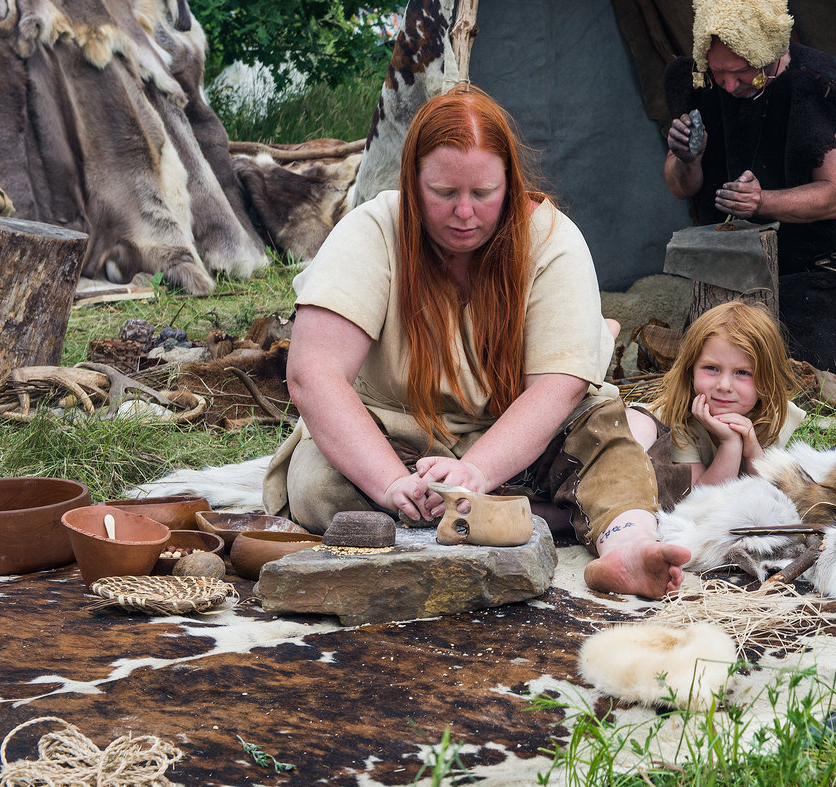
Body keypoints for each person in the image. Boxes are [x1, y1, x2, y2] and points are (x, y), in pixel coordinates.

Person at [263, 84, 689, 598]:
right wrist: (390, 484)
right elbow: (314, 373)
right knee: (316, 484)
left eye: (483, 193)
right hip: (402, 440)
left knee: (608, 447)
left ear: (509, 183)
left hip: (523, 439)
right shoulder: (374, 230)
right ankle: (528, 516)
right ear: (413, 182)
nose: (464, 213)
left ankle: (626, 551)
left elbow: (558, 389)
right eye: (444, 193)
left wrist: (478, 470)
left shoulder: (551, 239)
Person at [661, 0, 836, 372]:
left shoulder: (821, 87)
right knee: (705, 371)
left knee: (788, 374)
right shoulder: (702, 81)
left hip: (817, 273)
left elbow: (833, 195)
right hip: (730, 273)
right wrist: (687, 159)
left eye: (741, 73)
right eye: (719, 73)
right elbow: (682, 187)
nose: (729, 85)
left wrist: (762, 202)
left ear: (767, 55)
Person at [626, 301, 807, 492]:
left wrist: (752, 451)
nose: (724, 386)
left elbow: (771, 493)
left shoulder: (773, 416)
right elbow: (698, 499)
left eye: (743, 373)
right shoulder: (679, 418)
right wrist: (730, 445)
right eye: (711, 368)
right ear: (691, 371)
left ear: (766, 379)